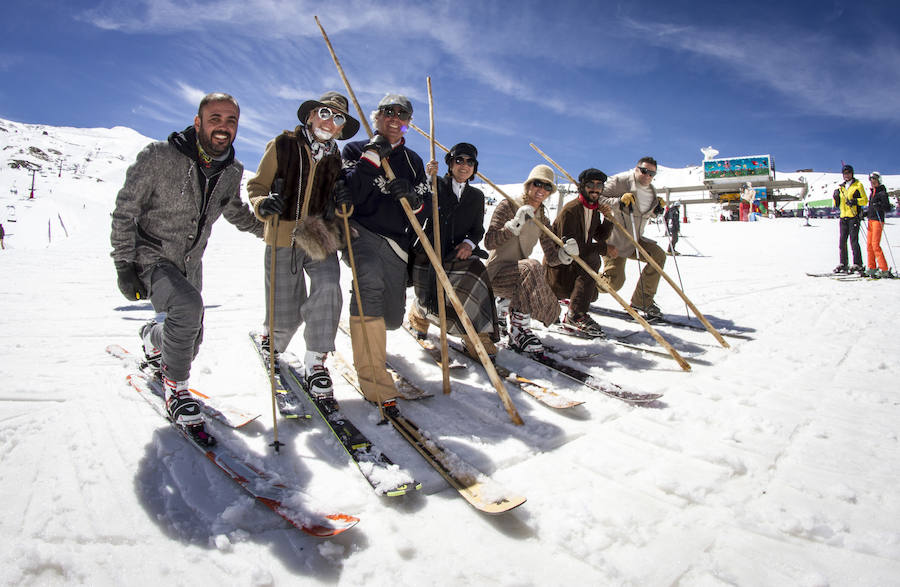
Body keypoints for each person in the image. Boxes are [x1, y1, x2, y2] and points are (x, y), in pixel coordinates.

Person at [110, 93, 264, 442]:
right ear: (198, 122)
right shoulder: (159, 157)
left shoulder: (231, 170)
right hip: (152, 256)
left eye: (231, 121)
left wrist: (270, 230)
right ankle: (176, 391)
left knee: (189, 340)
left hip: (190, 263)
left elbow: (235, 211)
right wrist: (124, 263)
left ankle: (153, 341)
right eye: (215, 118)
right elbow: (125, 210)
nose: (223, 127)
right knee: (187, 307)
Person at [246, 92, 360, 396]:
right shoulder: (283, 145)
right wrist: (263, 203)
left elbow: (335, 204)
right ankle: (272, 338)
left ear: (340, 128)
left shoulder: (336, 158)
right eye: (325, 113)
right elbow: (256, 186)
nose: (330, 121)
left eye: (338, 118)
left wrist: (342, 204)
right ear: (310, 116)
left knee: (328, 286)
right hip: (283, 232)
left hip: (317, 233)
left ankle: (316, 361)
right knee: (285, 316)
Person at [338, 94, 430, 409]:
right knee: (369, 286)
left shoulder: (414, 162)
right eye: (387, 112)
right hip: (360, 233)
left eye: (401, 114)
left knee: (391, 318)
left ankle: (375, 342)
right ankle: (374, 380)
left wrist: (413, 201)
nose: (394, 118)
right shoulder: (354, 150)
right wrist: (373, 156)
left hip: (397, 243)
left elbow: (425, 207)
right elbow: (350, 193)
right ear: (377, 117)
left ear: (408, 124)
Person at [408, 143, 499, 358]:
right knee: (433, 293)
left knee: (477, 276)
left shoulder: (476, 197)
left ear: (474, 168)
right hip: (429, 253)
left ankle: (477, 337)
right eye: (459, 160)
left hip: (457, 256)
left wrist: (468, 244)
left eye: (470, 162)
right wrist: (426, 179)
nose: (464, 165)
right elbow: (414, 204)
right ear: (450, 163)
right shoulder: (435, 185)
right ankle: (418, 316)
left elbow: (477, 230)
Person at [485, 164, 573, 353]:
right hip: (495, 274)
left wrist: (564, 256)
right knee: (532, 267)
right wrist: (512, 226)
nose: (541, 190)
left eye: (547, 186)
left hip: (519, 276)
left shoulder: (542, 218)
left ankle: (512, 316)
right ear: (528, 185)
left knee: (531, 268)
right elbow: (489, 242)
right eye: (537, 184)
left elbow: (550, 256)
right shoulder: (508, 205)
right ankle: (518, 330)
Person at [545, 168, 616, 338]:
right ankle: (575, 314)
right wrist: (604, 249)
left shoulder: (592, 209)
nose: (595, 189)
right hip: (561, 266)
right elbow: (572, 249)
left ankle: (576, 309)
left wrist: (608, 219)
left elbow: (599, 236)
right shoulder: (571, 210)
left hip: (575, 263)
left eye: (599, 185)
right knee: (593, 259)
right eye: (591, 184)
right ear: (582, 186)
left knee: (593, 258)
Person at [597, 156, 668, 318]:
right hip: (615, 239)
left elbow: (644, 215)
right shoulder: (620, 182)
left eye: (652, 174)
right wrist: (618, 202)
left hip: (636, 239)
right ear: (636, 169)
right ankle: (580, 287)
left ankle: (642, 300)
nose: (647, 176)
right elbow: (598, 198)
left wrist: (656, 210)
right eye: (644, 171)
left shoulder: (651, 191)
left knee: (658, 256)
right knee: (613, 282)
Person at [832, 164, 868, 274]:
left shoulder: (858, 185)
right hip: (843, 217)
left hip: (854, 217)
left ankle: (857, 264)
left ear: (852, 173)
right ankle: (843, 263)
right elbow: (836, 204)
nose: (846, 175)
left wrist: (855, 201)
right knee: (842, 242)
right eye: (844, 173)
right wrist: (836, 197)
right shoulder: (841, 187)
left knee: (854, 241)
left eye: (848, 173)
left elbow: (865, 200)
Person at [864, 171, 893, 278]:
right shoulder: (873, 192)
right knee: (869, 245)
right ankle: (872, 267)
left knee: (875, 245)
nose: (872, 183)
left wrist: (879, 205)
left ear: (879, 181)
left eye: (874, 181)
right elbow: (872, 206)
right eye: (871, 181)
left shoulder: (882, 193)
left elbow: (887, 208)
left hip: (878, 220)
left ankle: (884, 269)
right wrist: (866, 213)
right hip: (871, 220)